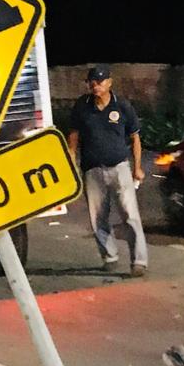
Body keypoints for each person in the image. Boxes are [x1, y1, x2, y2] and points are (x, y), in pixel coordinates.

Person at [67, 64, 148, 276]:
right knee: (98, 218)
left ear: (109, 82)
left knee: (130, 215)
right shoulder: (82, 106)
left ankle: (139, 261)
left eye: (100, 81)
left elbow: (135, 137)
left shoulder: (121, 106)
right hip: (92, 170)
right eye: (92, 82)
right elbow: (74, 135)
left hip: (119, 167)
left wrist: (137, 167)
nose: (96, 86)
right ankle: (109, 255)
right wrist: (71, 160)